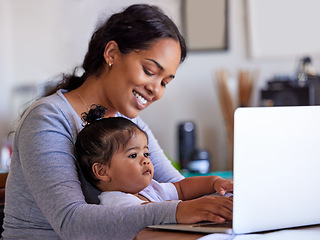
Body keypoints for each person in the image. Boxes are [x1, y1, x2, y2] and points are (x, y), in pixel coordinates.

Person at [3, 4, 232, 240]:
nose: (156, 90)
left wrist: (225, 196)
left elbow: (177, 188)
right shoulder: (49, 119)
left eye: (165, 82)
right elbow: (72, 222)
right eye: (149, 70)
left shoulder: (128, 124)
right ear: (111, 53)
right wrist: (178, 211)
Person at [75, 105, 233, 212]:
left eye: (146, 153)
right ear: (102, 171)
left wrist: (214, 182)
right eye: (132, 155)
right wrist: (190, 207)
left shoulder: (150, 189)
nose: (145, 160)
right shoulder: (116, 203)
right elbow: (148, 214)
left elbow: (181, 188)